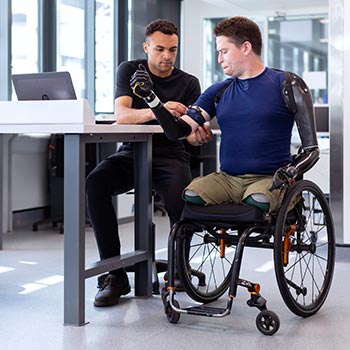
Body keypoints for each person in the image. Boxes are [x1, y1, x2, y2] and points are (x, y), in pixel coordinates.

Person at [130, 16, 319, 214]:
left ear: (246, 48)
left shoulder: (287, 84)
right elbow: (177, 130)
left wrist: (291, 172)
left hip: (268, 179)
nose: (219, 59)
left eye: (224, 52)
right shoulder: (217, 92)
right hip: (227, 179)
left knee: (258, 201)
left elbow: (311, 150)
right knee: (190, 196)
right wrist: (151, 98)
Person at [86, 19, 206, 307]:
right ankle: (114, 275)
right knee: (95, 184)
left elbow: (189, 134)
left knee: (182, 203)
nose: (167, 56)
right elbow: (122, 115)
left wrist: (195, 134)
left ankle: (178, 271)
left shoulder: (189, 83)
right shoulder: (131, 71)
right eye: (160, 49)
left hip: (171, 155)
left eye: (173, 50)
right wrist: (159, 110)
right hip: (132, 152)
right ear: (146, 47)